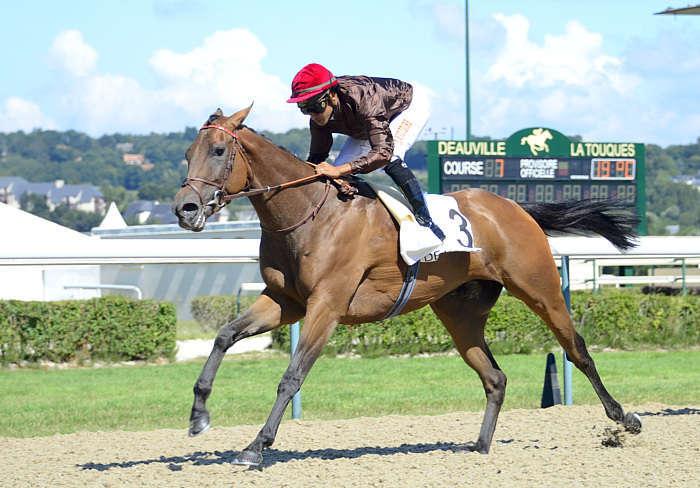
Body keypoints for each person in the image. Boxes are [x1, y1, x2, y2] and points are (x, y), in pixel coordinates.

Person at [286, 63, 445, 241]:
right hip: (367, 123)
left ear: (331, 95)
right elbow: (317, 158)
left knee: (391, 156)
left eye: (315, 107)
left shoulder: (364, 99)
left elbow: (383, 152)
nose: (312, 115)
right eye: (304, 109)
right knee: (336, 178)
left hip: (407, 108)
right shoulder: (318, 118)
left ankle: (426, 222)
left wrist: (339, 170)